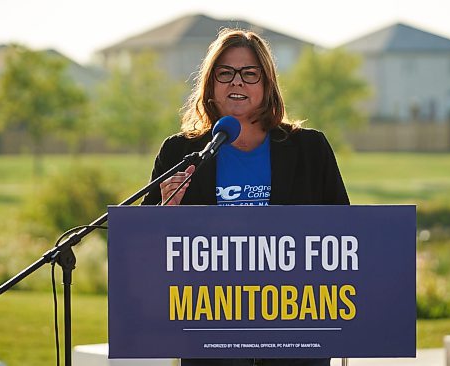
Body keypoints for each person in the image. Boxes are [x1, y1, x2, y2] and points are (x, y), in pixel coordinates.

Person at [142, 28, 349, 366]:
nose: (236, 82)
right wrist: (166, 211)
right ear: (211, 84)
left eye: (249, 73)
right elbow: (147, 249)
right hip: (208, 326)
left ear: (267, 84)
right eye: (225, 73)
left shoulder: (309, 148)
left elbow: (345, 233)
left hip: (296, 324)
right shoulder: (181, 151)